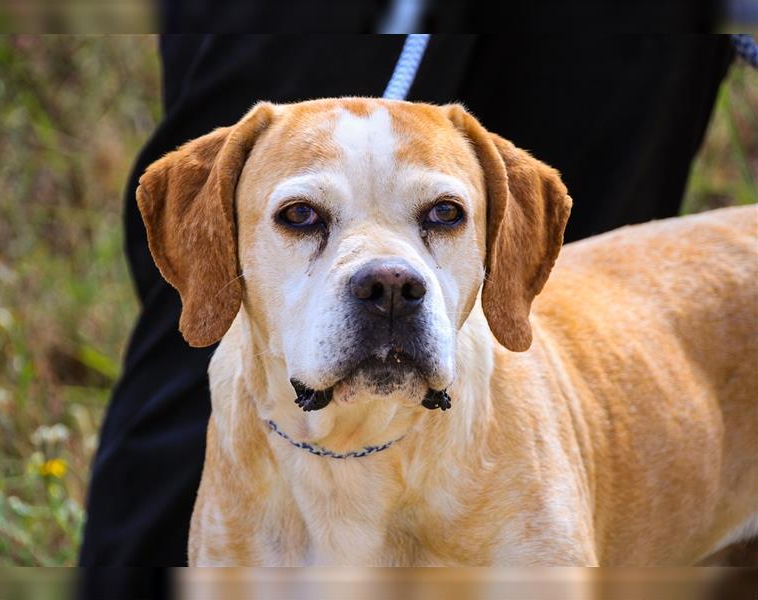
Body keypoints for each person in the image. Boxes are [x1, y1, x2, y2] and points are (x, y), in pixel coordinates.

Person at [79, 28, 733, 568]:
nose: (392, 279)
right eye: (303, 217)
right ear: (222, 239)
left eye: (441, 216)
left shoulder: (514, 489)